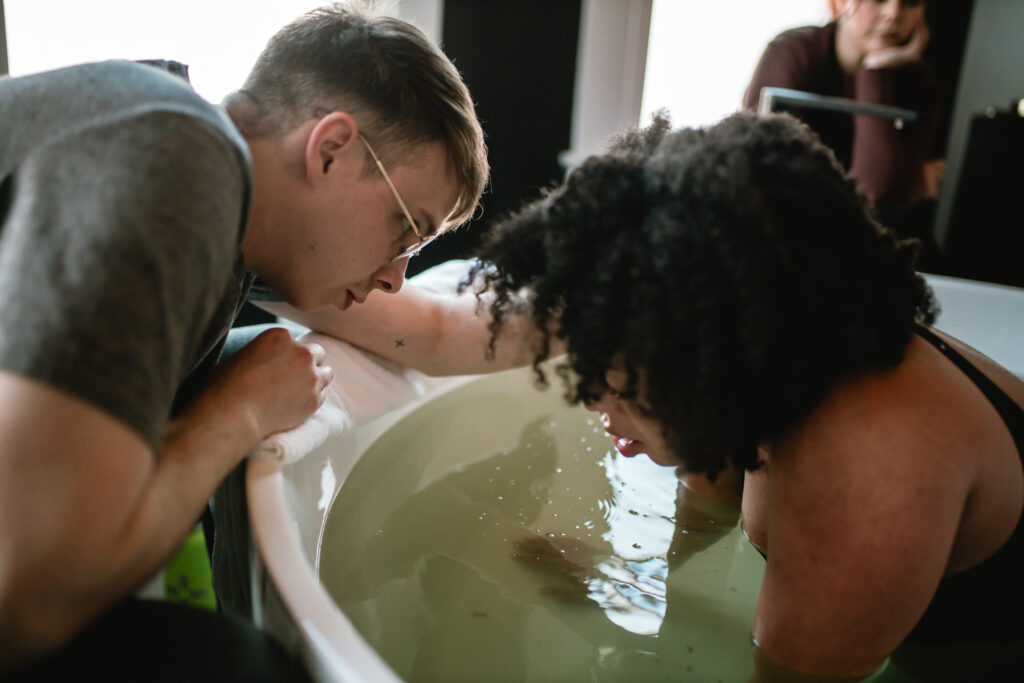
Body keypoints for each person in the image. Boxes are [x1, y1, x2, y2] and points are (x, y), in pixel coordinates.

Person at [271, 112, 1023, 680]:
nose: (598, 405)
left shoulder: (866, 463)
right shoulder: (733, 337)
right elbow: (433, 330)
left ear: (705, 364)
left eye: (617, 386)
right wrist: (268, 256)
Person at [0, 1, 487, 677]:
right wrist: (239, 409)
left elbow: (435, 333)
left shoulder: (225, 213)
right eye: (404, 233)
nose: (391, 279)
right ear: (332, 149)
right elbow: (29, 592)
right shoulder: (176, 157)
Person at [743, 0, 943, 270]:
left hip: (866, 247)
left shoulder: (918, 80)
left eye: (910, 2)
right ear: (839, 5)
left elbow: (879, 194)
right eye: (878, 0)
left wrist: (876, 72)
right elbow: (774, 187)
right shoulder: (792, 54)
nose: (894, 13)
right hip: (787, 238)